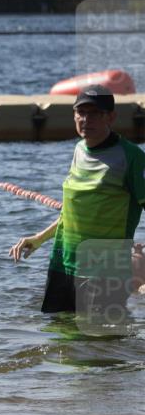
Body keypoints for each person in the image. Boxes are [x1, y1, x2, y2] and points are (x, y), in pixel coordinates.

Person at [10, 85, 145, 315]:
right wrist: (39, 238)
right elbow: (71, 213)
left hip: (104, 273)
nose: (85, 119)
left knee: (103, 334)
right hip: (64, 265)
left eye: (95, 114)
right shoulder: (79, 150)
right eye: (81, 112)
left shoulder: (131, 157)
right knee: (60, 330)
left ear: (111, 117)